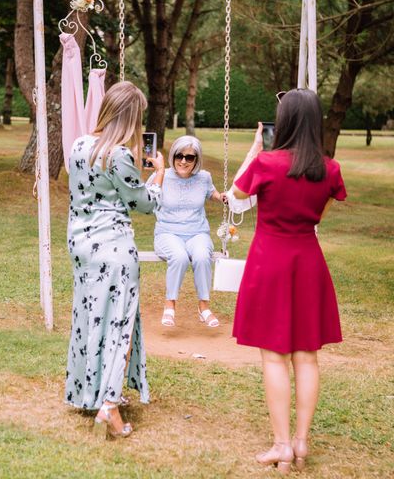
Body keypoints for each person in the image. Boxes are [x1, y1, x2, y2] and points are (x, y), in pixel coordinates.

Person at [230, 89, 347, 473]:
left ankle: (281, 444)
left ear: (284, 122)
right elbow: (321, 216)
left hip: (270, 261)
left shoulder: (266, 162)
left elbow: (235, 196)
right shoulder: (329, 169)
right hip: (308, 261)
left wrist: (252, 152)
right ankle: (300, 442)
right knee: (307, 355)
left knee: (274, 356)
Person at [64, 81, 165, 439]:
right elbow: (144, 202)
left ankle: (88, 390)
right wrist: (159, 175)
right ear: (133, 118)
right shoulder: (118, 155)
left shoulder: (79, 145)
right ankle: (108, 405)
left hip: (81, 244)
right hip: (113, 248)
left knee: (89, 318)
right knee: (119, 323)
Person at [148, 136, 226, 328]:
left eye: (189, 157)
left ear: (196, 160)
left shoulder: (204, 177)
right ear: (173, 155)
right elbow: (146, 196)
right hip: (168, 232)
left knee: (201, 255)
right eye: (179, 155)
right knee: (180, 256)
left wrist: (221, 197)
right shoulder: (162, 174)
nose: (183, 161)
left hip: (197, 232)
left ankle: (204, 308)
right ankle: (170, 306)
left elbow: (212, 193)